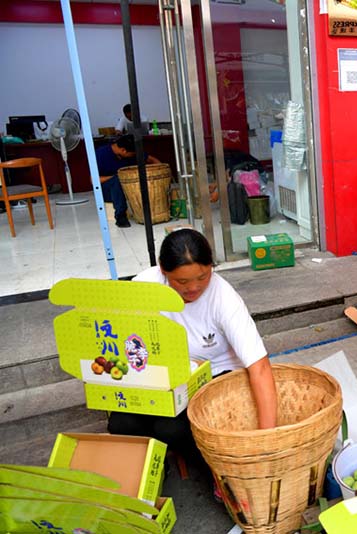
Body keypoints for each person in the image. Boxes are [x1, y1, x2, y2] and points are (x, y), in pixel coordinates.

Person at [108, 229, 279, 497]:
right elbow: (121, 336)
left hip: (216, 374)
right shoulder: (144, 286)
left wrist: (267, 443)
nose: (193, 287)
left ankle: (217, 471)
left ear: (212, 267)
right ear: (163, 271)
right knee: (121, 423)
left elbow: (259, 367)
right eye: (181, 281)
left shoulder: (224, 298)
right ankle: (153, 467)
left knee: (172, 426)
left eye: (202, 276)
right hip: (166, 374)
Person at [95, 134, 160, 227]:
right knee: (117, 180)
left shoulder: (131, 152)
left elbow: (152, 160)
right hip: (109, 189)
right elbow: (94, 181)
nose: (133, 156)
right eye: (131, 154)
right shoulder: (101, 154)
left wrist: (161, 172)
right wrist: (117, 176)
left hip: (131, 187)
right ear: (123, 151)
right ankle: (120, 216)